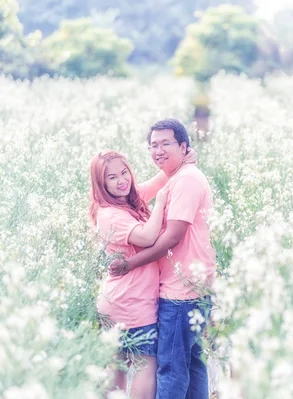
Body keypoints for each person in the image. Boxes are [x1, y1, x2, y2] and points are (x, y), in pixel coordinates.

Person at [109, 118, 216, 399]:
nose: (158, 150)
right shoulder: (180, 177)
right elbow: (137, 195)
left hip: (181, 291)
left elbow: (172, 237)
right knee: (192, 363)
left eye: (165, 143)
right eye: (153, 145)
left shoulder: (186, 181)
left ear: (183, 146)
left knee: (170, 368)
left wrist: (130, 264)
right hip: (191, 286)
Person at [90, 148, 197, 399]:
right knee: (143, 366)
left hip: (120, 301)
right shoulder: (109, 214)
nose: (121, 180)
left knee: (116, 368)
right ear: (101, 183)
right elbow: (148, 238)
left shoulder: (127, 199)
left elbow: (159, 181)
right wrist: (160, 203)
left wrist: (181, 163)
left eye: (124, 172)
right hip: (131, 303)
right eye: (112, 177)